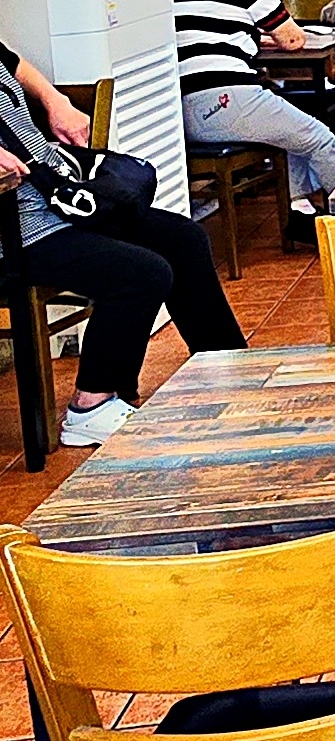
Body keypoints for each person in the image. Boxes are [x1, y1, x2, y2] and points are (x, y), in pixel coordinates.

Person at [0, 41, 245, 447]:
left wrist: (55, 100)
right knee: (142, 273)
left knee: (183, 239)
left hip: (59, 198)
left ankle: (228, 364)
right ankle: (90, 407)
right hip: (16, 230)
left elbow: (14, 64)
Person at [172, 0, 335, 216]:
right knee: (320, 139)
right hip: (229, 100)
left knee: (290, 130)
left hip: (179, 112)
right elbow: (293, 40)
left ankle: (299, 208)